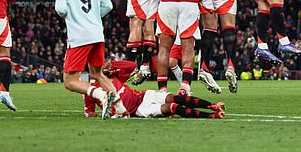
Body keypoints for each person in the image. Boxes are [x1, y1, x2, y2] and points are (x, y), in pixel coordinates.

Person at [53, 0, 128, 119]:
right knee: (98, 74)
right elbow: (108, 5)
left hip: (79, 36)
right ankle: (122, 109)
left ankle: (101, 95)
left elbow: (61, 9)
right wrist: (93, 17)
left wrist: (73, 16)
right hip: (97, 34)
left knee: (70, 81)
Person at [83, 59, 225, 119]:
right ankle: (211, 116)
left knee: (175, 97)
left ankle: (212, 106)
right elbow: (89, 112)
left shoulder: (112, 75)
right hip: (137, 110)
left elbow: (132, 66)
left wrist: (112, 64)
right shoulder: (90, 89)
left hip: (142, 96)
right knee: (172, 106)